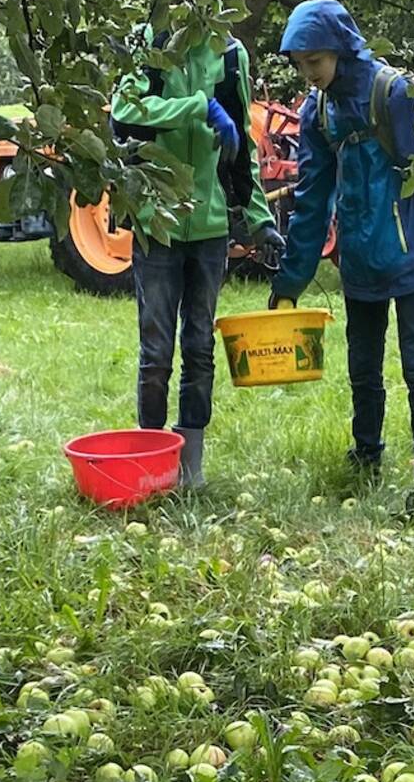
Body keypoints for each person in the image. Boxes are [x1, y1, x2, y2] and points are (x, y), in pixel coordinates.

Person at [268, 0, 414, 505]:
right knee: (363, 368)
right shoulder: (318, 109)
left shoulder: (393, 93)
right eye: (300, 64)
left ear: (339, 48)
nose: (308, 74)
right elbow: (312, 200)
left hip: (410, 259)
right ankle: (366, 452)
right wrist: (291, 279)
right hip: (357, 261)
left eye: (315, 61)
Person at [112, 31, 285, 489]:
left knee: (199, 348)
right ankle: (150, 468)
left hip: (209, 229)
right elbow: (124, 112)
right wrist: (198, 106)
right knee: (155, 353)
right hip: (157, 223)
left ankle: (190, 472)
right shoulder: (150, 42)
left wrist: (259, 216)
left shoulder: (230, 52)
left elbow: (243, 146)